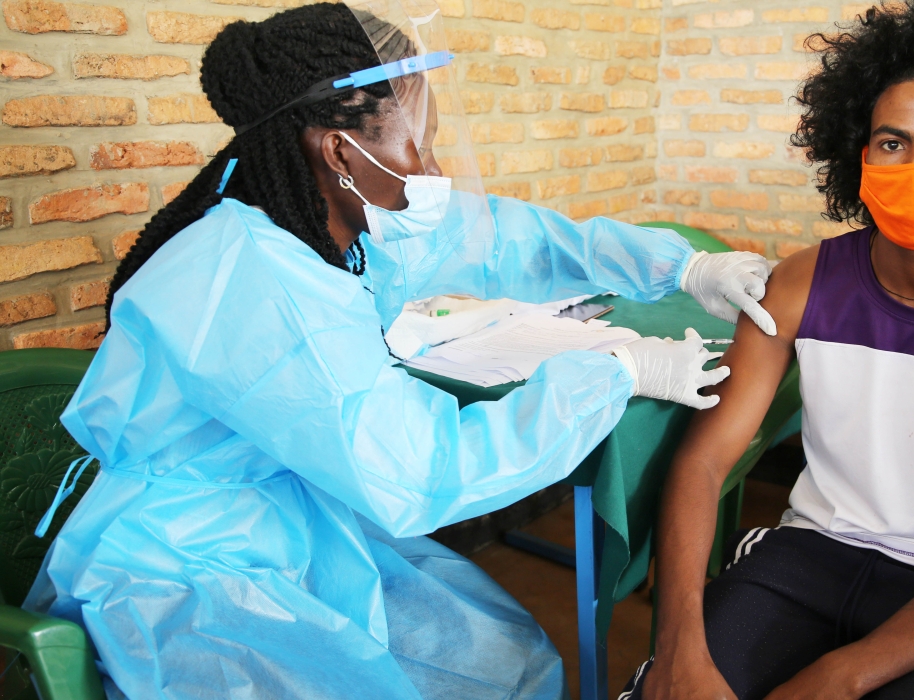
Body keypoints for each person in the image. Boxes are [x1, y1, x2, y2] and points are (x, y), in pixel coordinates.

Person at [22, 3, 775, 698]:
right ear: (341, 151)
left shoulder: (329, 230)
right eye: (422, 143)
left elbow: (505, 238)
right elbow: (417, 472)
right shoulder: (252, 280)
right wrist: (616, 372)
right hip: (187, 570)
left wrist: (683, 266)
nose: (438, 170)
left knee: (509, 662)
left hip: (286, 520)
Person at [623, 1, 914, 698]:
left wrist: (836, 680)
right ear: (860, 156)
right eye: (892, 143)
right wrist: (675, 648)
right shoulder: (798, 285)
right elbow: (704, 460)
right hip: (806, 559)